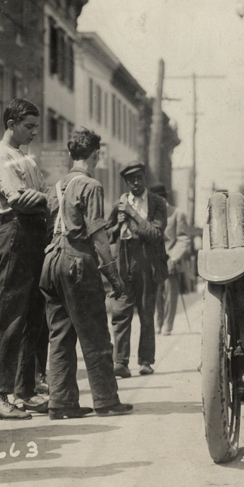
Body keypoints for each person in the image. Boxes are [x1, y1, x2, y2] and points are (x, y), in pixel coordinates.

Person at [41, 128, 133, 419]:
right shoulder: (91, 186)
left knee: (60, 335)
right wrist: (113, 276)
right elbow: (99, 237)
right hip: (77, 262)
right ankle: (106, 400)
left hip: (51, 262)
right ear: (95, 154)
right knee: (95, 336)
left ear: (71, 154)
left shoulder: (57, 186)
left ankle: (60, 402)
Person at [0, 98, 51, 420]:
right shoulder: (1, 158)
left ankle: (25, 390)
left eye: (36, 126)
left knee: (33, 317)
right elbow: (20, 201)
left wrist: (42, 197)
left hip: (33, 235)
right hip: (14, 233)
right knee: (10, 317)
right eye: (29, 126)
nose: (34, 132)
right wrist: (45, 198)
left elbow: (43, 195)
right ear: (11, 124)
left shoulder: (26, 159)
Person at [107, 161, 168, 378]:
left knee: (146, 313)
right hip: (124, 261)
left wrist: (132, 213)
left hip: (147, 263)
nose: (136, 182)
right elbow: (107, 234)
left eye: (139, 177)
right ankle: (120, 362)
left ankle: (145, 362)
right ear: (126, 182)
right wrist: (117, 226)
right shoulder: (120, 203)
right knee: (121, 312)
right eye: (131, 179)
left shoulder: (157, 203)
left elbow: (155, 235)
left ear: (145, 178)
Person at [151, 184, 192, 336]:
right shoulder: (150, 214)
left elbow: (183, 238)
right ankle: (158, 323)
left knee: (170, 295)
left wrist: (174, 257)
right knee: (156, 295)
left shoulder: (177, 214)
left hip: (171, 260)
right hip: (154, 261)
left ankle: (167, 325)